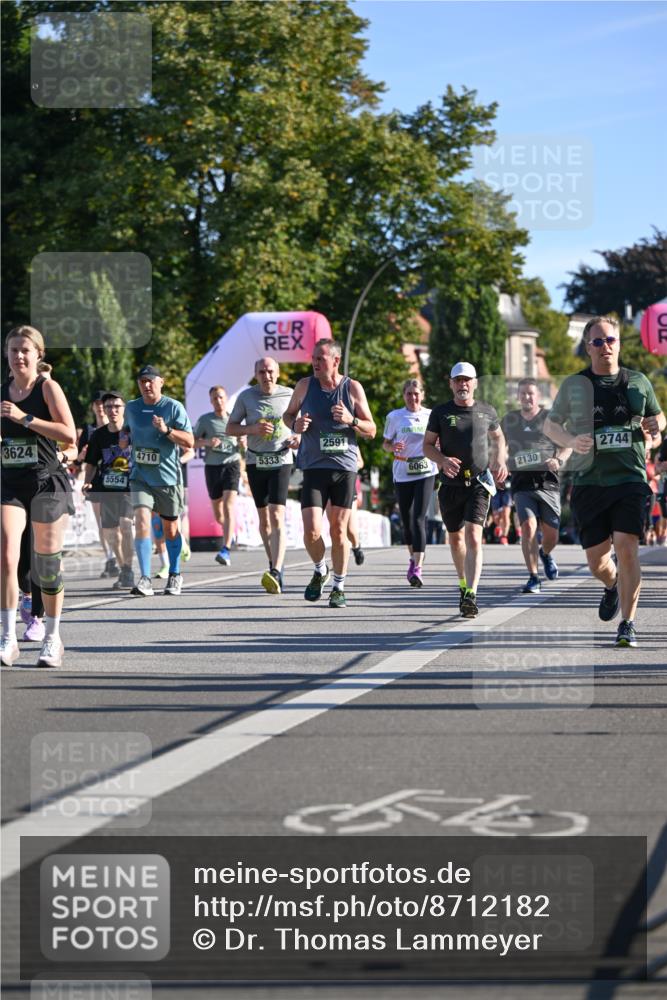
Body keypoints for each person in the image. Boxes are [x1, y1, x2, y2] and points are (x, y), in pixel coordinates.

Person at [544, 316, 665, 647]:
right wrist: (571, 440)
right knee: (598, 561)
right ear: (587, 347)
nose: (605, 346)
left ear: (619, 344)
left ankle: (628, 623)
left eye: (610, 340)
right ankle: (611, 585)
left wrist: (653, 435)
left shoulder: (638, 382)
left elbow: (658, 418)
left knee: (627, 549)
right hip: (589, 482)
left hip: (630, 478)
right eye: (597, 342)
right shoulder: (574, 385)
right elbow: (550, 426)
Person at [1, 325, 77, 667]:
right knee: (6, 555)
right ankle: (7, 638)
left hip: (47, 481)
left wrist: (25, 418)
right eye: (13, 350)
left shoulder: (47, 387)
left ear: (38, 355)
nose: (19, 355)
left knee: (46, 564)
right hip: (10, 483)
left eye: (25, 350)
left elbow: (68, 434)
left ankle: (52, 637)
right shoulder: (2, 391)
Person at [282, 338, 376, 608]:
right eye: (314, 358)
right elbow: (288, 416)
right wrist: (295, 423)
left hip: (343, 467)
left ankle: (338, 586)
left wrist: (351, 420)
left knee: (338, 530)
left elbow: (371, 430)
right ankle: (320, 569)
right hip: (313, 465)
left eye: (321, 359)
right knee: (311, 531)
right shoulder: (304, 385)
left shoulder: (352, 388)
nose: (315, 363)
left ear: (335, 361)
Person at [424, 361, 508, 618]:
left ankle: (471, 593)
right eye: (458, 380)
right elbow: (427, 446)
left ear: (475, 383)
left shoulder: (486, 410)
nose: (463, 384)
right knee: (456, 538)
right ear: (451, 383)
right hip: (450, 485)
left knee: (473, 535)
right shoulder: (440, 412)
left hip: (479, 483)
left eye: (467, 380)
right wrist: (442, 460)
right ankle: (463, 584)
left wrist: (500, 458)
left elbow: (498, 437)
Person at [227, 357, 298, 593]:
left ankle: (276, 570)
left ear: (277, 373)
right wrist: (252, 429)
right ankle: (273, 562)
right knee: (264, 519)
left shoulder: (290, 394)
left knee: (277, 514)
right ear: (255, 374)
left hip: (281, 459)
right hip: (256, 460)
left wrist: (298, 438)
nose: (266, 376)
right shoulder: (246, 397)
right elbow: (231, 428)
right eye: (261, 372)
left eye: (270, 371)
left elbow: (304, 425)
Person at [123, 365, 194, 598]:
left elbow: (190, 441)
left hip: (167, 478)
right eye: (142, 381)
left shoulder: (173, 407)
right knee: (142, 519)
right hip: (140, 476)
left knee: (170, 529)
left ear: (161, 382)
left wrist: (166, 430)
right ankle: (144, 578)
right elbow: (126, 431)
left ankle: (174, 573)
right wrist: (123, 438)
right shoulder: (132, 408)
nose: (146, 385)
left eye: (150, 381)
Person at [502, 377, 571, 594]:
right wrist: (500, 459)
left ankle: (546, 553)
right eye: (522, 393)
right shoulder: (510, 419)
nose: (526, 397)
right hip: (522, 484)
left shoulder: (550, 419)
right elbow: (500, 444)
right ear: (518, 396)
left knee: (551, 535)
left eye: (530, 393)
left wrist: (557, 460)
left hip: (547, 483)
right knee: (528, 528)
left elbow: (568, 444)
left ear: (538, 396)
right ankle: (533, 577)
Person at [382, 378, 438, 587]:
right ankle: (413, 559)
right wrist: (393, 447)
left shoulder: (431, 415)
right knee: (407, 521)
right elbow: (385, 444)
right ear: (403, 396)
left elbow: (439, 441)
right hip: (403, 471)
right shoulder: (395, 417)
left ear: (422, 395)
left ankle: (418, 567)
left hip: (426, 470)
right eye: (409, 394)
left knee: (418, 518)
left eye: (416, 394)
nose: (413, 398)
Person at [83, 390, 135, 591]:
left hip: (129, 487)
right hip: (107, 488)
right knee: (111, 533)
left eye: (117, 406)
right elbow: (91, 463)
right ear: (103, 410)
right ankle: (124, 568)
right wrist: (88, 481)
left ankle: (129, 568)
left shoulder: (133, 432)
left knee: (125, 525)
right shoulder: (98, 435)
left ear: (124, 409)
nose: (112, 410)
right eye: (109, 407)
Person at [193, 386, 241, 567]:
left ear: (226, 398)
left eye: (220, 397)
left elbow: (245, 440)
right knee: (218, 512)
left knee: (229, 507)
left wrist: (243, 441)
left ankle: (225, 549)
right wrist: (206, 442)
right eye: (214, 399)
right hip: (212, 467)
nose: (218, 401)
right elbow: (191, 441)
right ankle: (230, 533)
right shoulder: (205, 420)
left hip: (232, 464)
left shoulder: (234, 419)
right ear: (211, 401)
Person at [77, 389, 117, 579]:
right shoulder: (89, 430)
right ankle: (110, 558)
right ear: (93, 407)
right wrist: (82, 456)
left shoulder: (119, 428)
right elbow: (78, 460)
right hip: (97, 481)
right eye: (97, 404)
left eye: (104, 404)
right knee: (102, 521)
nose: (101, 408)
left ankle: (120, 557)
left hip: (119, 481)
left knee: (118, 523)